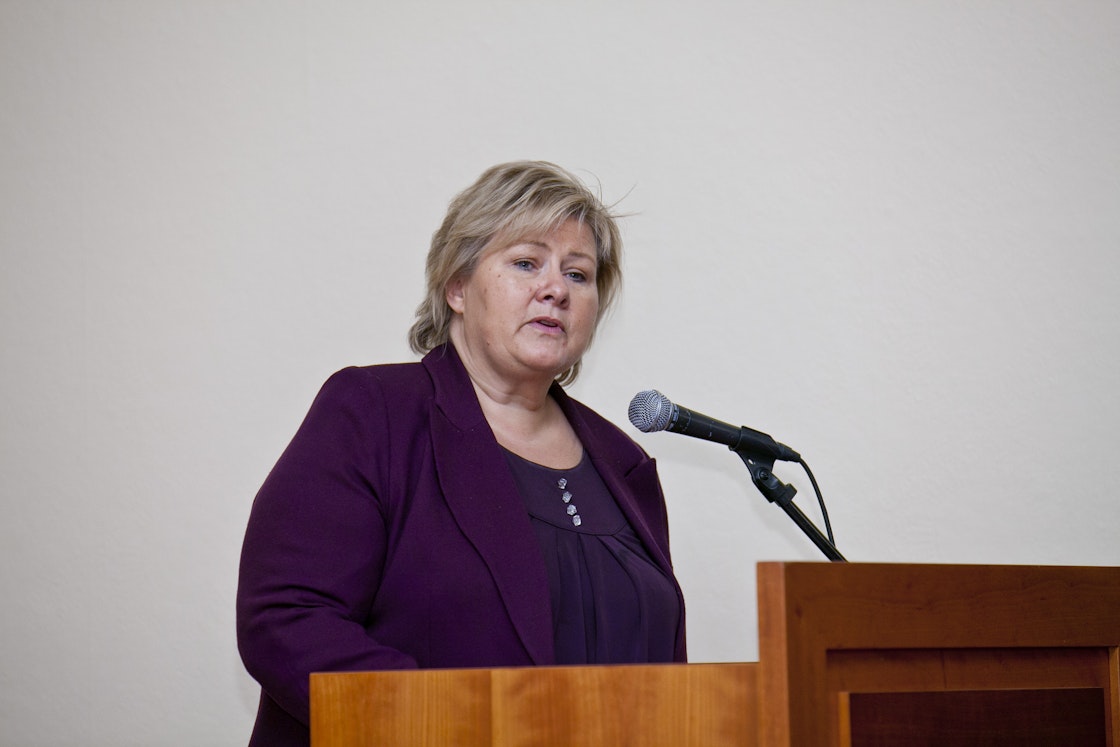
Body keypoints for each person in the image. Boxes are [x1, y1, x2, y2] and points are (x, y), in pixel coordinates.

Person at [236, 161, 686, 747]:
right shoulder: (374, 412)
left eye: (578, 274)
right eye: (526, 263)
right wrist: (457, 725)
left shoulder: (623, 463)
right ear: (456, 288)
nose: (556, 289)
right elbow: (286, 619)